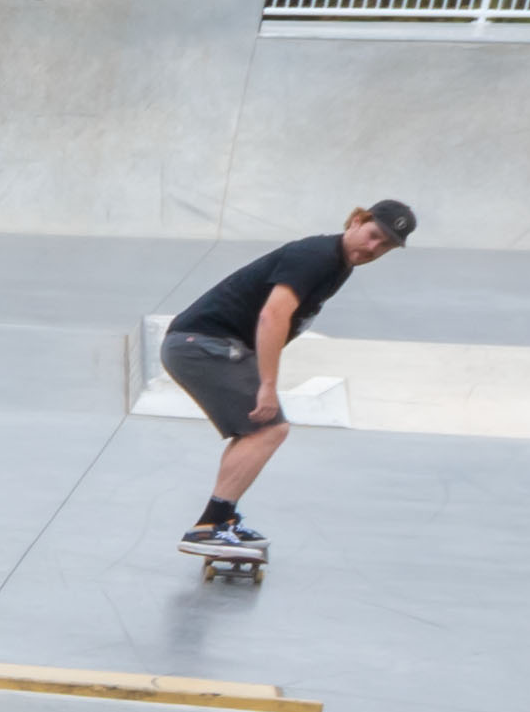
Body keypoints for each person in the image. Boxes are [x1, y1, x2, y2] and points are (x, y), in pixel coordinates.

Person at [165, 198, 414, 554]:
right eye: (373, 235)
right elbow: (273, 317)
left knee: (255, 431)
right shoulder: (317, 256)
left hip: (204, 344)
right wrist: (266, 384)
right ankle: (209, 526)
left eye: (386, 245)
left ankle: (220, 520)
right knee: (269, 429)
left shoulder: (338, 264)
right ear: (357, 220)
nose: (374, 248)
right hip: (203, 344)